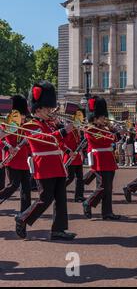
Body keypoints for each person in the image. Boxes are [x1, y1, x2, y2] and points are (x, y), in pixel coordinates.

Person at [15, 81, 76, 240]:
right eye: (48, 108)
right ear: (39, 108)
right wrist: (62, 131)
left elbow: (59, 143)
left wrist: (63, 132)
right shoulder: (30, 125)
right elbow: (42, 140)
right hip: (44, 166)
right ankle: (23, 218)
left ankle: (58, 229)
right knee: (45, 199)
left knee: (61, 199)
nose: (51, 111)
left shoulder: (49, 125)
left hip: (57, 165)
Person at [82, 96, 122, 221]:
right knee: (102, 187)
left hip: (108, 159)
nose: (104, 119)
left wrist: (116, 131)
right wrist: (114, 133)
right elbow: (104, 141)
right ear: (95, 118)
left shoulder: (103, 128)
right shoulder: (90, 129)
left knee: (108, 188)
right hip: (99, 159)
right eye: (102, 117)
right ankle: (88, 202)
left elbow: (113, 139)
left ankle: (107, 212)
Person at [0, 95, 32, 215]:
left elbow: (28, 141)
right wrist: (10, 147)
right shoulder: (8, 124)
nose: (23, 117)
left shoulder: (26, 126)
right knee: (13, 185)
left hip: (23, 158)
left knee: (26, 187)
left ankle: (25, 212)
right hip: (12, 158)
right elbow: (2, 139)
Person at [63, 107, 86, 203]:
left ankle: (79, 196)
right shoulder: (67, 130)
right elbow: (61, 144)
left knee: (80, 178)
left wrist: (82, 147)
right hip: (70, 157)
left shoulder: (77, 131)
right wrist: (69, 152)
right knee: (69, 178)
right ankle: (58, 191)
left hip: (77, 158)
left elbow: (77, 143)